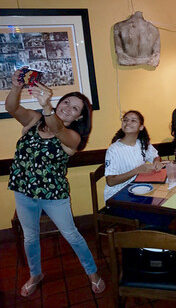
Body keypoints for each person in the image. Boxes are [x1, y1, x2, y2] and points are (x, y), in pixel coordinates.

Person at [6, 69, 105, 297]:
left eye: (74, 108)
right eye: (66, 102)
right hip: (23, 190)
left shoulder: (73, 137)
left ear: (79, 117)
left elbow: (58, 128)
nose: (67, 108)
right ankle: (35, 274)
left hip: (54, 195)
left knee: (71, 235)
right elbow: (12, 108)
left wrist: (48, 109)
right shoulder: (34, 120)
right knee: (30, 236)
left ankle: (92, 273)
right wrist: (15, 86)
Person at [104, 110, 172, 225]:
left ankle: (152, 237)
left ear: (141, 127)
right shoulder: (114, 149)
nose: (128, 122)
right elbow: (110, 181)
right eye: (125, 120)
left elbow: (156, 156)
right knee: (160, 218)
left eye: (133, 120)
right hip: (118, 199)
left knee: (168, 208)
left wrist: (156, 162)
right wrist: (137, 170)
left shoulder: (142, 143)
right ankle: (146, 239)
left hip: (139, 192)